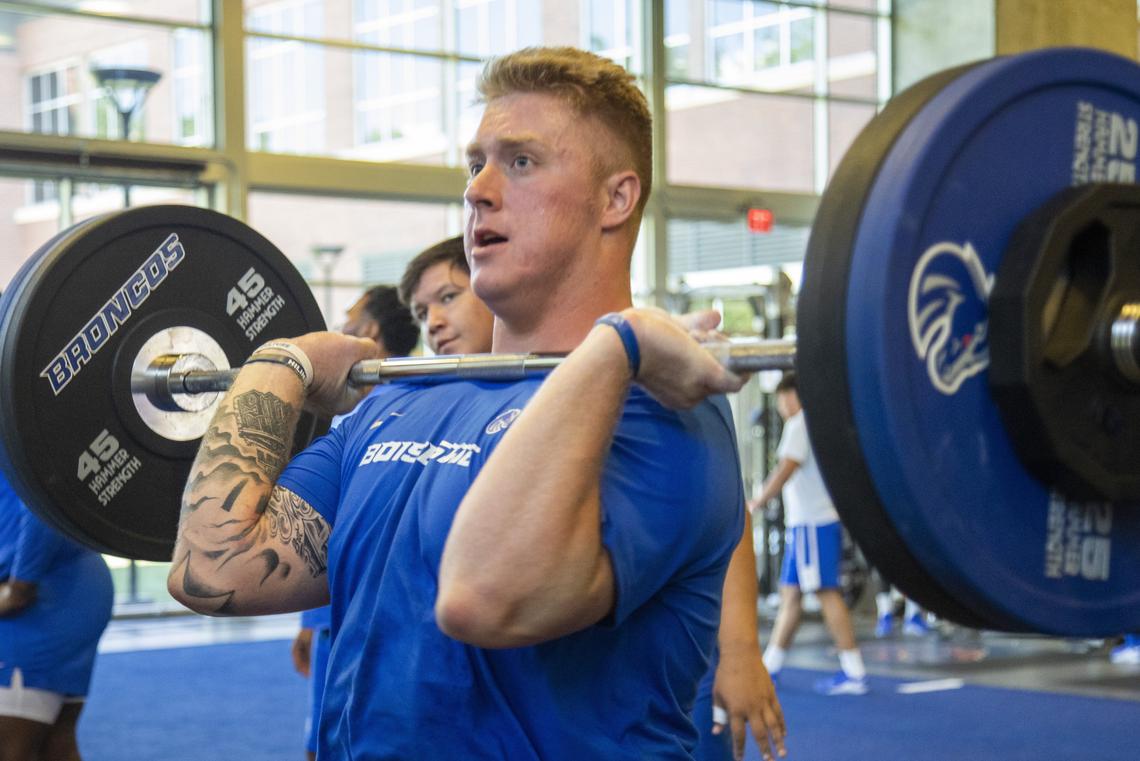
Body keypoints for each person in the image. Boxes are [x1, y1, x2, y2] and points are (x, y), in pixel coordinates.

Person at [169, 46, 754, 758]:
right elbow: (212, 569)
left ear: (616, 198)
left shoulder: (656, 407)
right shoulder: (404, 399)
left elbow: (481, 598)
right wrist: (279, 362)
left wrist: (612, 347)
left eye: (521, 161)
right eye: (474, 162)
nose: (477, 188)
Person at [399, 236, 785, 761]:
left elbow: (721, 509)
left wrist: (740, 651)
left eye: (448, 297)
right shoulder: (447, 405)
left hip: (638, 671)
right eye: (423, 311)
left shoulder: (608, 384)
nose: (434, 322)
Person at [289, 284, 419, 760]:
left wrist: (316, 621)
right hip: (345, 613)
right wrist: (313, 620)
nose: (339, 326)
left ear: (370, 331)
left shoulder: (384, 412)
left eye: (349, 316)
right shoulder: (358, 409)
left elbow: (356, 525)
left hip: (368, 615)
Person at [747, 372, 869, 696]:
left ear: (793, 396)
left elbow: (785, 469)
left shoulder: (800, 424)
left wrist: (757, 501)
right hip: (805, 525)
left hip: (813, 524)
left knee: (826, 593)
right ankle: (769, 666)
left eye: (782, 396)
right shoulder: (811, 424)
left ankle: (854, 671)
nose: (780, 404)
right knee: (791, 595)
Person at [0, 470, 114, 761]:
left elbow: (41, 497)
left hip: (42, 596)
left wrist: (21, 584)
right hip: (68, 587)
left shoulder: (14, 435)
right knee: (55, 746)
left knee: (12, 749)